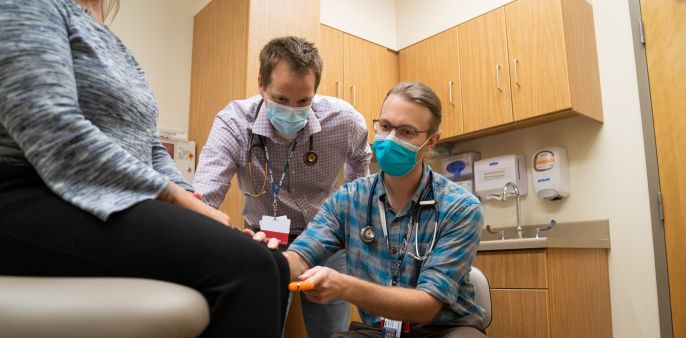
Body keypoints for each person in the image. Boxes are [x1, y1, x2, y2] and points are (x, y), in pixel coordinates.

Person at [0, 1, 288, 337]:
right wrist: (175, 199)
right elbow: (50, 129)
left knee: (275, 263)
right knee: (250, 268)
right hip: (28, 190)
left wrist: (186, 194)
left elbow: (149, 144)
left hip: (106, 198)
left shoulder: (114, 44)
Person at [254, 82, 487, 337]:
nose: (390, 139)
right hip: (381, 330)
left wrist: (345, 286)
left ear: (431, 142)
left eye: (406, 131)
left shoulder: (460, 208)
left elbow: (426, 306)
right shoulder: (349, 199)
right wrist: (256, 258)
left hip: (444, 328)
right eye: (385, 127)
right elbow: (302, 254)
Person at [193, 36, 372, 337]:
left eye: (303, 101)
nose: (292, 111)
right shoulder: (234, 122)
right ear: (261, 84)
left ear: (316, 89)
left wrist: (354, 223)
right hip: (267, 242)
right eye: (281, 100)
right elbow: (205, 195)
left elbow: (361, 163)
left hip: (327, 240)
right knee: (262, 328)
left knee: (332, 333)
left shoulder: (344, 120)